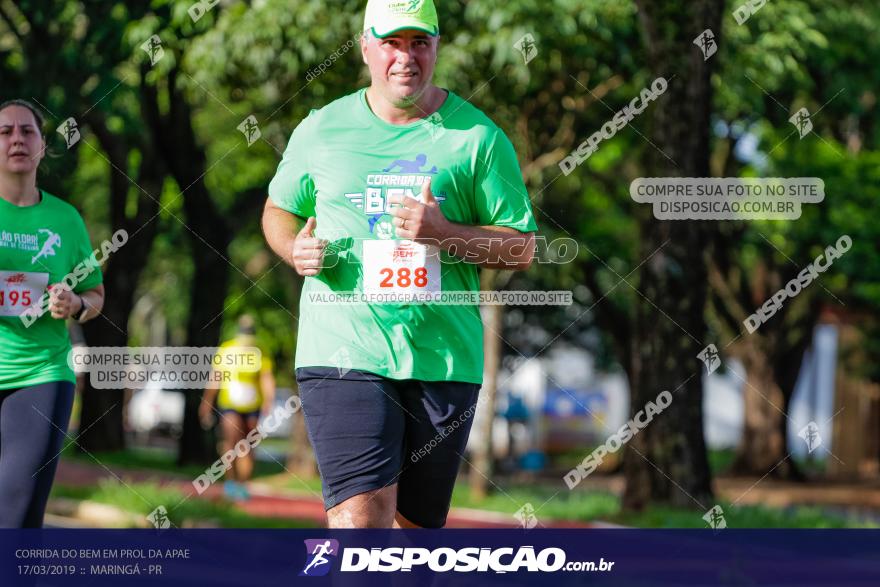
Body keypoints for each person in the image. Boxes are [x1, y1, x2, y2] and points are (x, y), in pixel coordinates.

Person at [261, 0, 536, 528]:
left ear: (436, 49)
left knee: (414, 544)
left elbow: (520, 247)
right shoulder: (322, 129)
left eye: (419, 43)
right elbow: (279, 210)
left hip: (443, 360)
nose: (404, 57)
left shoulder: (477, 138)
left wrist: (446, 234)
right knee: (363, 526)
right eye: (391, 42)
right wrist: (293, 247)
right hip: (343, 351)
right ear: (365, 46)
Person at [0, 99, 105, 527]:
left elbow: (95, 294)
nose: (16, 140)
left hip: (40, 377)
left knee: (17, 513)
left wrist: (76, 304)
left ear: (43, 146)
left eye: (27, 131)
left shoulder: (65, 219)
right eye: (5, 132)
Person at [199, 314, 276, 500]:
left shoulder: (261, 351)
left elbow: (266, 378)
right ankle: (230, 482)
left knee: (248, 445)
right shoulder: (226, 350)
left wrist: (268, 401)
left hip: (252, 406)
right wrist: (206, 404)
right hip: (230, 405)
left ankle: (243, 483)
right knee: (230, 440)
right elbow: (215, 379)